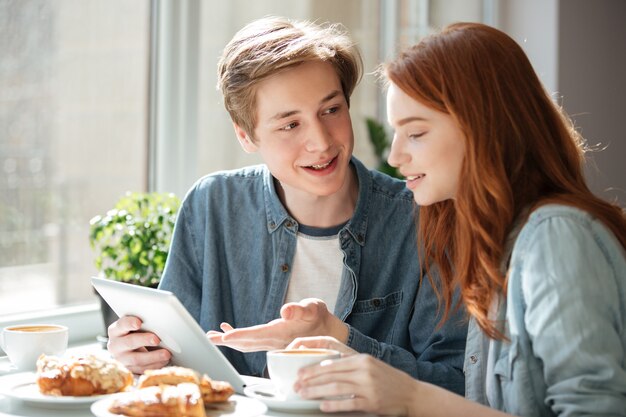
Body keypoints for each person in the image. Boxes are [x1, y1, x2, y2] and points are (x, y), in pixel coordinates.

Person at [106, 16, 467, 394]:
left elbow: (455, 385)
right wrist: (138, 355)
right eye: (290, 125)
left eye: (331, 110)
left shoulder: (424, 218)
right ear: (246, 136)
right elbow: (175, 364)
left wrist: (343, 341)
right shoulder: (211, 205)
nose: (321, 142)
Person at [292, 22, 626, 416]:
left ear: (484, 129)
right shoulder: (492, 244)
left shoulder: (555, 238)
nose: (396, 156)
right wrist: (350, 350)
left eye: (415, 133)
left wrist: (413, 399)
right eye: (395, 133)